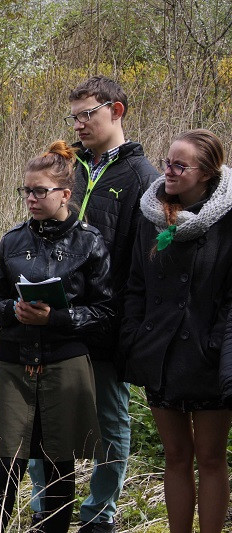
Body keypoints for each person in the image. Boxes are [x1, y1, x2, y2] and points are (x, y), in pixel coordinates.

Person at [28, 75, 159, 532]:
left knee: (108, 418)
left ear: (116, 111)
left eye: (89, 114)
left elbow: (142, 261)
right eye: (75, 116)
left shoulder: (143, 177)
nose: (80, 124)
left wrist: (131, 324)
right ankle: (46, 506)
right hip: (51, 315)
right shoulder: (70, 170)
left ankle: (100, 513)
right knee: (44, 414)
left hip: (107, 319)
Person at [0, 141, 113, 533]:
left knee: (60, 461)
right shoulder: (11, 240)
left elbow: (106, 313)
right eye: (27, 190)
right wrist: (14, 311)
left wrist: (55, 318)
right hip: (15, 361)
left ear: (65, 195)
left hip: (64, 363)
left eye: (40, 191)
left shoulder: (89, 242)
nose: (31, 198)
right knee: (8, 458)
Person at [122, 129, 232, 533]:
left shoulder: (227, 218)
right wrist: (135, 339)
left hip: (208, 356)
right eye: (167, 162)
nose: (167, 171)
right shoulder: (151, 214)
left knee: (211, 457)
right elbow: (136, 285)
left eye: (179, 165)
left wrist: (218, 346)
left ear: (206, 173)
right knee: (176, 455)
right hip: (161, 354)